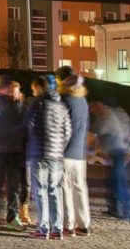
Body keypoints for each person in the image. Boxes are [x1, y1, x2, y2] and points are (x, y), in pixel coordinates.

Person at [25, 73, 71, 239]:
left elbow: (28, 125)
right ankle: (57, 229)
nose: (33, 92)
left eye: (33, 89)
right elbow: (68, 132)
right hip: (57, 156)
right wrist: (59, 148)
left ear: (38, 88)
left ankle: (43, 229)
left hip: (39, 153)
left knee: (40, 192)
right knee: (55, 191)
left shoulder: (37, 104)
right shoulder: (62, 106)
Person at [0, 74, 27, 230]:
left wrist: (17, 136)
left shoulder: (20, 105)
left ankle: (12, 215)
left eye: (13, 89)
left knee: (13, 187)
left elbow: (25, 125)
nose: (11, 92)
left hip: (15, 150)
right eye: (8, 88)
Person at [90, 98, 130, 221]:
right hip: (118, 152)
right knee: (114, 182)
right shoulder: (116, 114)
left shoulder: (108, 116)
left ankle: (129, 213)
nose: (92, 110)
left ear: (101, 105)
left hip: (121, 152)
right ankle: (115, 209)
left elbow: (97, 132)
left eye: (94, 106)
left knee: (120, 183)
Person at [60, 74, 91, 236]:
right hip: (80, 153)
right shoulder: (83, 102)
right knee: (80, 188)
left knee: (65, 188)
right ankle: (84, 224)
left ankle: (68, 224)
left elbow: (63, 129)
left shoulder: (65, 101)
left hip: (65, 152)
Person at [9, 80, 33, 226]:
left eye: (15, 91)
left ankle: (24, 209)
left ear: (19, 92)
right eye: (11, 91)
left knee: (26, 183)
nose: (13, 93)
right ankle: (13, 212)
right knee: (13, 183)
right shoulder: (4, 108)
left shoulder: (25, 108)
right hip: (11, 150)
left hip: (24, 150)